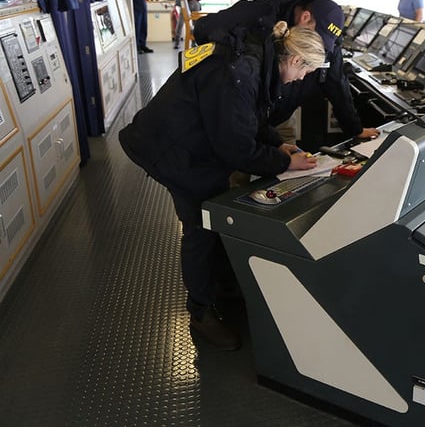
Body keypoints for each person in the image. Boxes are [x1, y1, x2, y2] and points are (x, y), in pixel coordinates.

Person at [118, 21, 325, 350]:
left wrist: (277, 145)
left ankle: (222, 284)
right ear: (296, 60)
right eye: (307, 72)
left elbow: (250, 116)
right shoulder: (238, 73)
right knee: (200, 226)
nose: (303, 80)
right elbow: (237, 147)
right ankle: (200, 314)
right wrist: (285, 162)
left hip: (191, 139)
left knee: (214, 214)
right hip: (172, 149)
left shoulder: (256, 60)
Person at [194, 0, 379, 142]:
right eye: (318, 37)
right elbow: (203, 29)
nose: (319, 45)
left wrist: (356, 129)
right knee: (239, 168)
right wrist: (240, 57)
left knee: (286, 168)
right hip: (242, 109)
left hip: (280, 118)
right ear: (305, 17)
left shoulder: (326, 40)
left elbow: (337, 83)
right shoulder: (260, 14)